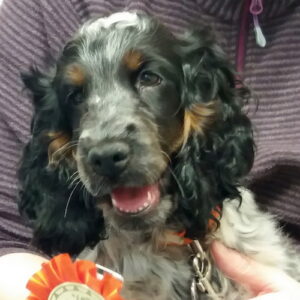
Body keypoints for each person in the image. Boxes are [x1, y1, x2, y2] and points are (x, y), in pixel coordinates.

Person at [0, 0, 299, 299]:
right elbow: (6, 240)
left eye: (148, 78)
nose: (106, 146)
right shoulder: (41, 10)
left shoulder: (252, 242)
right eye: (77, 95)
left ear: (193, 104)